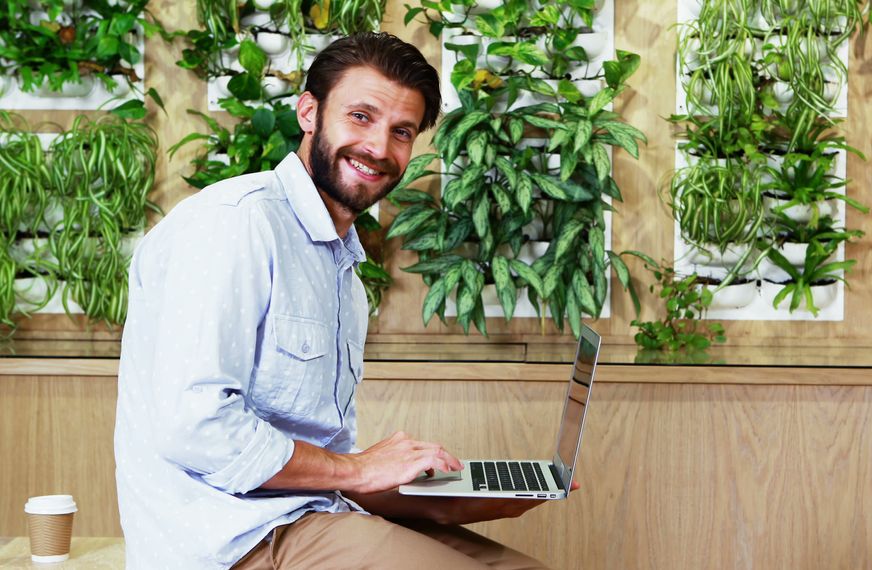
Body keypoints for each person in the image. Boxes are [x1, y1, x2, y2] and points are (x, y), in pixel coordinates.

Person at [114, 32, 561, 569]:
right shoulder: (235, 224)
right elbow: (197, 426)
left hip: (311, 513)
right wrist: (360, 470)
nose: (379, 148)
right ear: (309, 112)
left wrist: (456, 500)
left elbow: (325, 462)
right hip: (230, 539)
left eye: (401, 132)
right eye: (361, 117)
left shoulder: (341, 266)